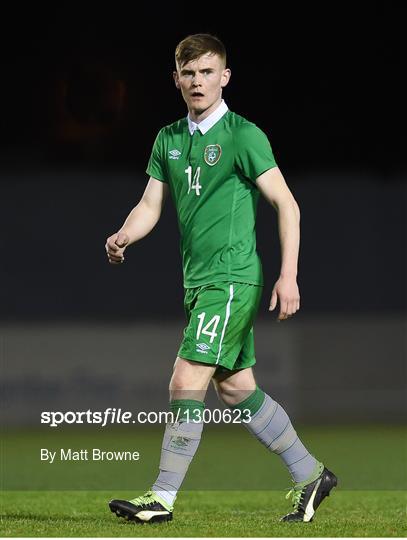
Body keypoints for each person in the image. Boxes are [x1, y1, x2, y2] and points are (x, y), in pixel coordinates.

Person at [105, 33, 337, 524]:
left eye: (207, 72)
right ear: (176, 79)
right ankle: (311, 474)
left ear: (224, 77)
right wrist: (124, 235)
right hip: (200, 281)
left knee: (186, 378)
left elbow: (286, 204)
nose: (197, 81)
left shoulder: (242, 135)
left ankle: (161, 498)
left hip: (231, 279)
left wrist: (288, 274)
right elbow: (151, 204)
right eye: (188, 73)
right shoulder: (168, 139)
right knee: (235, 390)